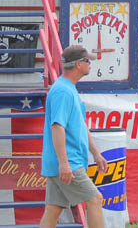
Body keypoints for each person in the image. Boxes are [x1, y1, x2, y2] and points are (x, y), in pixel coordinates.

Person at [39, 45, 107, 228]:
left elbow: (80, 126)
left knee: (53, 210)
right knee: (95, 199)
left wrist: (96, 153)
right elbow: (57, 127)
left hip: (62, 162)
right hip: (68, 162)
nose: (90, 64)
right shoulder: (63, 91)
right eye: (88, 61)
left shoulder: (67, 88)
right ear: (78, 64)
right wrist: (64, 163)